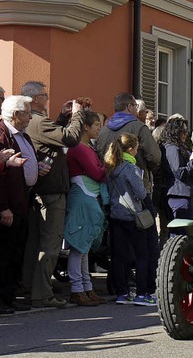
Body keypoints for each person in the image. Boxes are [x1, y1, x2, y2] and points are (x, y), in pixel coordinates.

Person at [21, 81, 85, 309]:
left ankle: (31, 287)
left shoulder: (34, 122)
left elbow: (53, 138)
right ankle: (42, 294)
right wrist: (77, 116)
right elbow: (70, 139)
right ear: (35, 98)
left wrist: (61, 116)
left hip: (41, 190)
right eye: (45, 96)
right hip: (51, 192)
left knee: (35, 243)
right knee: (50, 243)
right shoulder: (38, 122)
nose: (47, 99)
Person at [0, 96, 41, 314]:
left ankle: (9, 297)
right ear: (15, 115)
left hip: (22, 202)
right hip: (8, 206)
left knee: (15, 253)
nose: (30, 117)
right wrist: (3, 207)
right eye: (27, 113)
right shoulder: (2, 135)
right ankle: (2, 300)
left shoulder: (21, 135)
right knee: (4, 254)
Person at [104, 133, 156, 306]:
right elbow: (141, 193)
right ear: (131, 149)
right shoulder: (130, 168)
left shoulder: (111, 167)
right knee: (142, 255)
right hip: (133, 216)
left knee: (119, 256)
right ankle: (142, 294)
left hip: (115, 214)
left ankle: (123, 293)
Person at [64, 111, 108, 307]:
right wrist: (110, 166)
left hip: (87, 194)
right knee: (79, 247)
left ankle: (86, 287)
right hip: (83, 196)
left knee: (84, 248)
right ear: (85, 127)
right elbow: (97, 173)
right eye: (97, 124)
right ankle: (77, 289)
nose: (99, 128)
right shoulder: (79, 149)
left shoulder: (86, 147)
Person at [161, 117, 193, 225]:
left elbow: (190, 171)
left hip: (183, 194)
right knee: (179, 234)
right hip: (178, 195)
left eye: (186, 131)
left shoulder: (178, 147)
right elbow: (181, 173)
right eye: (183, 131)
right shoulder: (172, 148)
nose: (185, 134)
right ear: (175, 132)